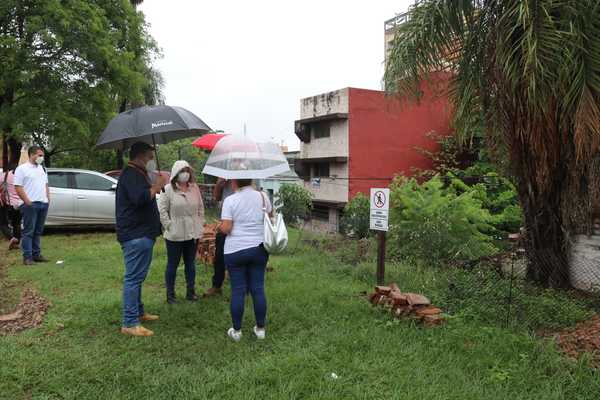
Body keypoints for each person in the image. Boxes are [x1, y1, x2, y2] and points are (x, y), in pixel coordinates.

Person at [116, 142, 167, 337]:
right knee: (133, 278)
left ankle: (138, 311)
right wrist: (156, 186)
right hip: (135, 234)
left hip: (141, 233)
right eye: (149, 156)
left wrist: (154, 188)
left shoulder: (137, 174)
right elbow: (139, 199)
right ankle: (129, 322)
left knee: (137, 277)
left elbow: (144, 197)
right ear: (141, 156)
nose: (151, 160)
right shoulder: (131, 174)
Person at [219, 178, 272, 341]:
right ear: (250, 179)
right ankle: (260, 329)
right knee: (258, 288)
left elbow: (226, 228)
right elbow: (270, 218)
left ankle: (236, 331)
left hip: (235, 250)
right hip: (259, 249)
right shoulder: (263, 196)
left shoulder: (230, 200)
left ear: (234, 182)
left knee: (238, 290)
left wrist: (219, 226)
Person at [158, 160, 204, 304]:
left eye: (187, 170)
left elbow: (201, 208)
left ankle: (191, 292)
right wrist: (169, 225)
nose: (185, 174)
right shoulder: (168, 189)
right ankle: (170, 295)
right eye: (182, 171)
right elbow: (162, 210)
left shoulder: (194, 188)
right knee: (173, 264)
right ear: (176, 173)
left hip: (192, 232)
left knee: (190, 263)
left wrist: (200, 223)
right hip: (175, 233)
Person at [13, 146, 49, 265]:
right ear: (32, 155)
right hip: (30, 204)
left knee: (38, 231)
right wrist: (27, 201)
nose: (41, 158)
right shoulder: (22, 169)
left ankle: (36, 254)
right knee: (28, 231)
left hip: (43, 203)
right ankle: (27, 257)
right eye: (39, 155)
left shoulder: (42, 169)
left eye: (42, 155)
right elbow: (18, 186)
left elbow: (45, 185)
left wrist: (48, 199)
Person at [205, 178, 234, 297]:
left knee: (238, 256)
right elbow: (216, 197)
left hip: (240, 225)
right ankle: (217, 286)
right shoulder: (224, 177)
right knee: (219, 257)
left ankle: (243, 287)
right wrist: (219, 184)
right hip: (225, 223)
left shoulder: (247, 176)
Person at [0, 163, 23, 250]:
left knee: (3, 223)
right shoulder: (22, 177)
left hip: (8, 204)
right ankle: (16, 242)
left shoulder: (4, 176)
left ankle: (11, 238)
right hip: (19, 204)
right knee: (17, 224)